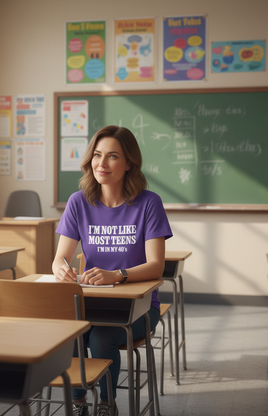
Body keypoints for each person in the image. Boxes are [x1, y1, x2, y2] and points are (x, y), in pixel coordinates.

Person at [52, 125, 173, 416]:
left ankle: (107, 406)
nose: (101, 164)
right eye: (97, 155)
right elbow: (59, 258)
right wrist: (62, 269)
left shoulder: (148, 203)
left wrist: (117, 275)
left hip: (139, 308)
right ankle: (79, 404)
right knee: (72, 333)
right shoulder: (78, 201)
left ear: (129, 163)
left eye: (112, 156)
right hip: (90, 304)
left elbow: (157, 266)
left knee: (102, 338)